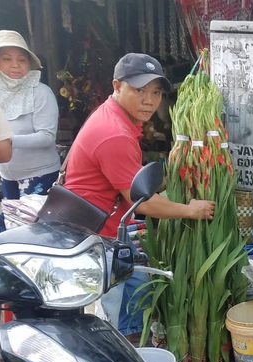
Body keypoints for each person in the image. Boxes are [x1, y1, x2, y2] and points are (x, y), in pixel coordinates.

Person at [64, 53, 215, 337]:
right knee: (110, 321)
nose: (150, 100)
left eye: (156, 92)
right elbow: (140, 201)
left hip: (103, 233)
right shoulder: (115, 134)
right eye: (139, 90)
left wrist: (173, 176)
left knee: (136, 294)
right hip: (97, 244)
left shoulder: (112, 116)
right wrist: (191, 210)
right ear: (117, 86)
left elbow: (129, 180)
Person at [0, 30, 60, 198]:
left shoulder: (41, 92)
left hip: (41, 176)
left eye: (21, 59)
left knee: (35, 225)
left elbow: (47, 137)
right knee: (13, 224)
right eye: (6, 59)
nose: (15, 65)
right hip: (7, 177)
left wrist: (6, 141)